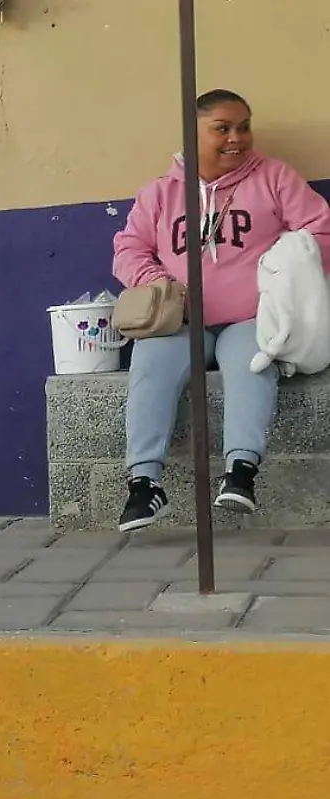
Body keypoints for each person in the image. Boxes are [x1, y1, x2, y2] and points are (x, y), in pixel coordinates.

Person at [113, 89, 330, 530]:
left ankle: (241, 473)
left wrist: (284, 267)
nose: (237, 138)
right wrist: (159, 283)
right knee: (150, 363)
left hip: (249, 317)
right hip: (181, 321)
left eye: (244, 126)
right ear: (194, 133)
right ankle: (144, 486)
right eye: (223, 128)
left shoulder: (273, 177)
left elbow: (318, 230)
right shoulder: (160, 192)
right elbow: (128, 248)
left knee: (254, 361)